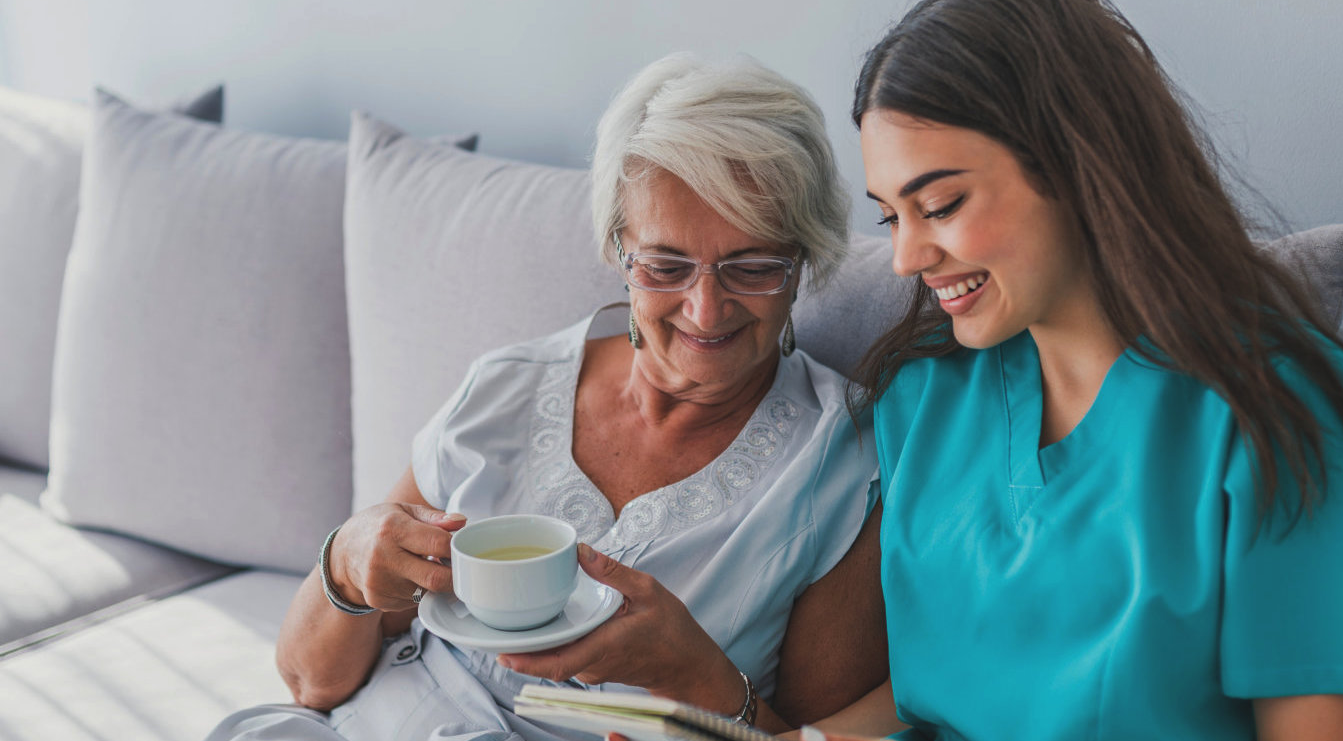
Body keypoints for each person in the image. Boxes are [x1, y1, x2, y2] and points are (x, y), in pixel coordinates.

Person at [806, 0, 1343, 741]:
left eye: (940, 205)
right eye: (889, 216)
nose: (908, 257)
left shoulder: (1284, 415)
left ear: (1078, 165)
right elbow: (927, 698)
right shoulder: (924, 400)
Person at [208, 53, 886, 741]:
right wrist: (347, 562)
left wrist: (696, 675)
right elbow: (307, 683)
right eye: (665, 266)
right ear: (619, 251)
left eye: (753, 267)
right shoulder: (506, 388)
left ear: (802, 263)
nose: (706, 310)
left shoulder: (841, 463)